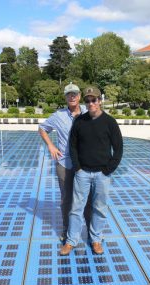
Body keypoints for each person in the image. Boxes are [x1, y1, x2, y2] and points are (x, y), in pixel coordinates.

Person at [60, 86, 123, 256]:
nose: (90, 103)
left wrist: (108, 169)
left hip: (102, 174)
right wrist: (78, 167)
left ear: (99, 101)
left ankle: (95, 239)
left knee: (99, 208)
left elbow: (118, 148)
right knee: (76, 208)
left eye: (93, 100)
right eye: (87, 101)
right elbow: (72, 146)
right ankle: (71, 241)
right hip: (83, 174)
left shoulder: (110, 122)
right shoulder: (80, 121)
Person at [38, 82, 91, 241]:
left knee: (88, 198)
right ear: (65, 97)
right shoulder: (58, 115)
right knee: (66, 199)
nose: (72, 96)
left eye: (75, 93)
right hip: (65, 164)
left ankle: (90, 231)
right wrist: (51, 146)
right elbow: (42, 128)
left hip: (86, 164)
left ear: (79, 96)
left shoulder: (89, 113)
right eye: (69, 94)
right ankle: (67, 229)